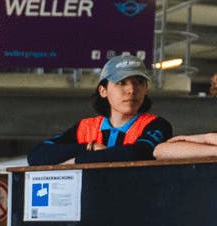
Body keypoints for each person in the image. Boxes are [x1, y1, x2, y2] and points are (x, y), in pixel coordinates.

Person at [27, 54, 172, 165]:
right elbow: (37, 155)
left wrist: (75, 161)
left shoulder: (157, 125)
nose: (132, 90)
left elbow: (137, 153)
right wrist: (89, 147)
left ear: (146, 89)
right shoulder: (85, 127)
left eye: (139, 82)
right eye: (121, 82)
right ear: (103, 91)